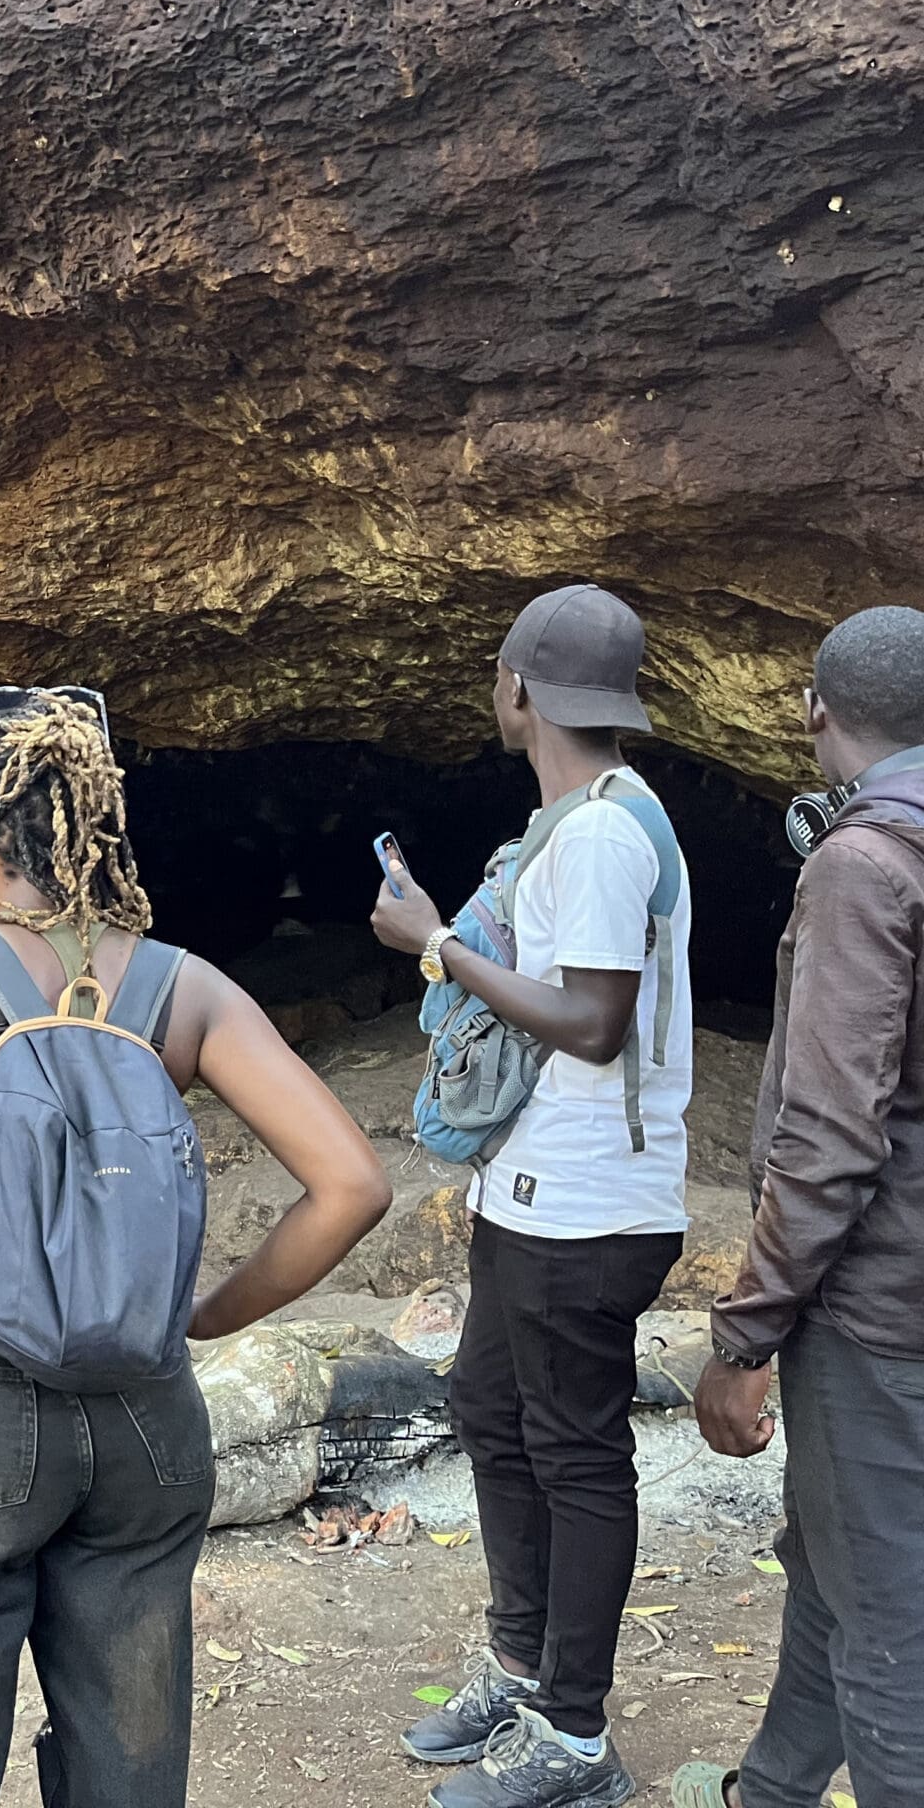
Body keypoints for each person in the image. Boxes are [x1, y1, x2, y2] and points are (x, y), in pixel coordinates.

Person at [0, 686, 391, 1808]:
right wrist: (200, 1315)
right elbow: (350, 1185)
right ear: (103, 822)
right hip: (141, 1392)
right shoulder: (183, 989)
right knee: (131, 1744)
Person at [370, 584, 696, 1807]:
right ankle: (523, 1662)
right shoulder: (572, 820)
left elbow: (596, 1025)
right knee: (490, 1407)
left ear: (517, 688)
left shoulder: (607, 833)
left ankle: (573, 1739)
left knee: (573, 1448)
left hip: (593, 1201)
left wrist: (435, 948)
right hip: (532, 1184)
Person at [671, 605, 924, 1808]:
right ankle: (767, 1789)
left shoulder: (862, 866)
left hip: (884, 1317)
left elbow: (827, 1143)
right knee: (837, 1562)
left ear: (816, 713)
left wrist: (743, 1337)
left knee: (893, 1637)